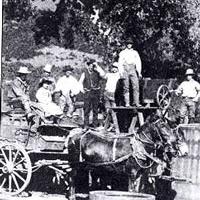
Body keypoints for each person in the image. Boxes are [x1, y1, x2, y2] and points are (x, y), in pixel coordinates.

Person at [9, 66, 40, 131]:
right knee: (24, 98)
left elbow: (27, 93)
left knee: (36, 106)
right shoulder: (15, 82)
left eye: (25, 75)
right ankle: (28, 112)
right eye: (23, 75)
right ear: (20, 74)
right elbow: (19, 93)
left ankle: (35, 126)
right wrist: (27, 98)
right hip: (15, 100)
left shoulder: (25, 83)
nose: (24, 76)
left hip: (23, 100)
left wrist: (30, 101)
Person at [79, 59, 105, 128]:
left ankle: (95, 125)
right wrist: (82, 90)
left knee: (95, 109)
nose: (91, 67)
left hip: (96, 93)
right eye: (89, 66)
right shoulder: (84, 73)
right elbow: (80, 82)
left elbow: (103, 74)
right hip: (87, 93)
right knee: (86, 109)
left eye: (92, 66)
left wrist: (97, 66)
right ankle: (86, 125)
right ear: (87, 66)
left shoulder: (97, 72)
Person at [118, 38, 142, 107]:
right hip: (125, 69)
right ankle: (127, 103)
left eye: (130, 44)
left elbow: (138, 63)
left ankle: (136, 102)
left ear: (132, 45)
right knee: (126, 87)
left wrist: (139, 72)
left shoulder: (135, 52)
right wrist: (121, 72)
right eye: (128, 44)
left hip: (132, 69)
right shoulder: (122, 52)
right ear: (126, 44)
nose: (129, 45)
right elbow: (120, 63)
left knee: (136, 86)